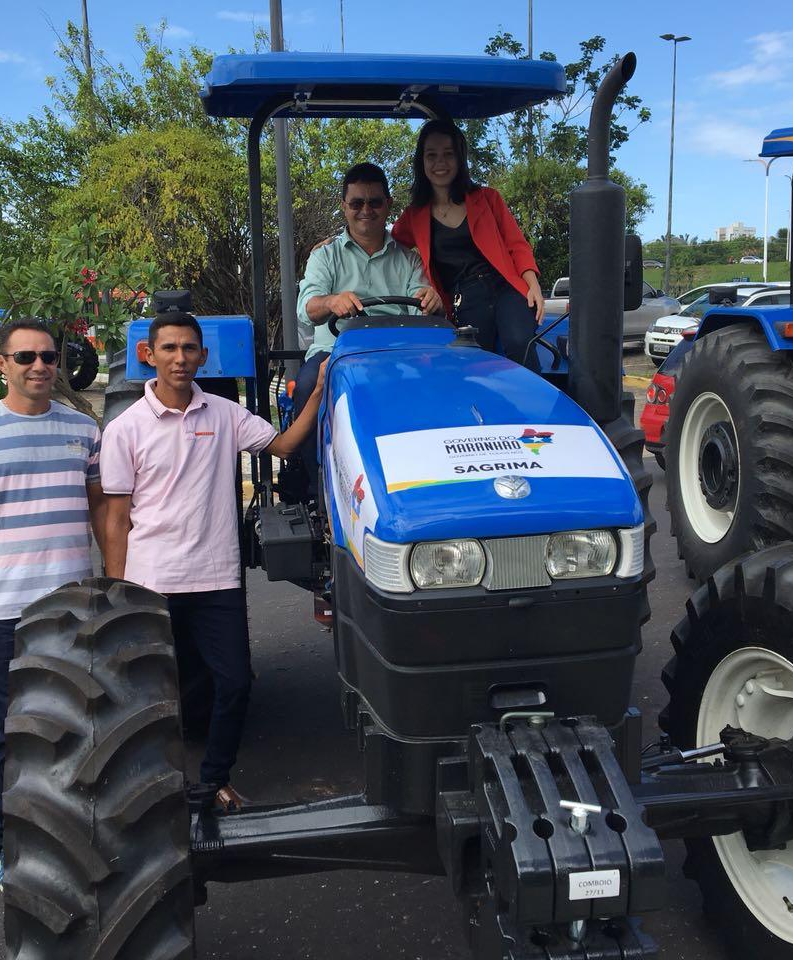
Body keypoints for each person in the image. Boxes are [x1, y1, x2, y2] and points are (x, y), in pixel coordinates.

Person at [100, 304, 327, 814]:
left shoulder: (225, 415)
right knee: (156, 694)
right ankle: (160, 785)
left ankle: (213, 780)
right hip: (151, 581)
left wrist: (316, 395)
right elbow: (116, 519)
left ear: (203, 357)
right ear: (148, 355)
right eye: (169, 349)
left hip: (216, 579)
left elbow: (286, 445)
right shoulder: (126, 429)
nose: (180, 358)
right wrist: (118, 593)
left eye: (188, 349)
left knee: (234, 683)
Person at [0, 317, 106, 889]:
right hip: (8, 611)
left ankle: (77, 828)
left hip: (76, 606)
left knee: (81, 725)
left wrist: (115, 581)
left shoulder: (84, 430)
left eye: (49, 356)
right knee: (8, 734)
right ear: (1, 364)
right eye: (26, 357)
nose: (39, 366)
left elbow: (102, 510)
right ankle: (6, 840)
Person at [294, 162, 442, 490]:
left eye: (374, 202)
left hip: (396, 355)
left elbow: (422, 306)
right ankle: (313, 489)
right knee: (307, 387)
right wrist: (331, 302)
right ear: (344, 207)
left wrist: (432, 300)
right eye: (357, 203)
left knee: (439, 386)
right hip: (336, 353)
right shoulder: (326, 256)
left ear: (388, 205)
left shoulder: (408, 259)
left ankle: (425, 481)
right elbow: (308, 307)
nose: (366, 210)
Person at [393, 119, 545, 370]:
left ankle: (534, 408)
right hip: (466, 297)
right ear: (422, 161)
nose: (440, 163)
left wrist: (533, 285)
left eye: (448, 154)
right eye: (431, 155)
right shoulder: (415, 215)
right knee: (474, 363)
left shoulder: (487, 198)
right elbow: (384, 241)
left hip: (505, 286)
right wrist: (338, 239)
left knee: (520, 342)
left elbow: (516, 244)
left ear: (460, 159)